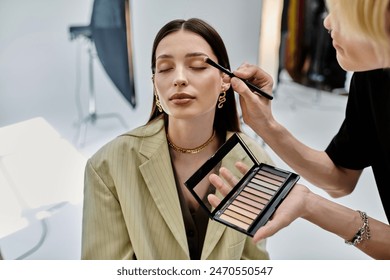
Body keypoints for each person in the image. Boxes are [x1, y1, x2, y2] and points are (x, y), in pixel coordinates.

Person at [208, 0, 390, 259]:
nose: (327, 23)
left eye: (342, 14)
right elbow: (340, 177)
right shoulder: (372, 76)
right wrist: (265, 125)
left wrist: (312, 206)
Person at [81, 18, 273, 260]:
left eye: (197, 66)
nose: (179, 78)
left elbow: (251, 263)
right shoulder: (107, 165)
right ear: (154, 84)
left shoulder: (256, 163)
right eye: (164, 68)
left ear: (225, 80)